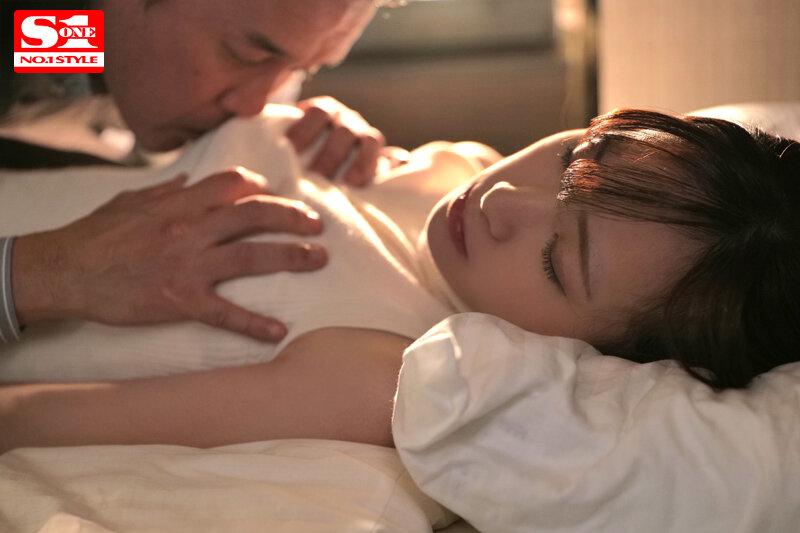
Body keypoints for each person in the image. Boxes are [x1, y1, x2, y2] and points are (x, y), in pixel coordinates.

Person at [1, 107, 798, 453]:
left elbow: (32, 420)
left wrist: (29, 274)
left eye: (557, 261)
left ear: (599, 357)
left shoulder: (383, 368)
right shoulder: (455, 166)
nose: (502, 199)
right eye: (574, 158)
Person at [0, 0, 395, 345]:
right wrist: (46, 275)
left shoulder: (68, 37)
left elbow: (57, 43)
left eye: (300, 69)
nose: (254, 105)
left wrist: (294, 133)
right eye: (246, 55)